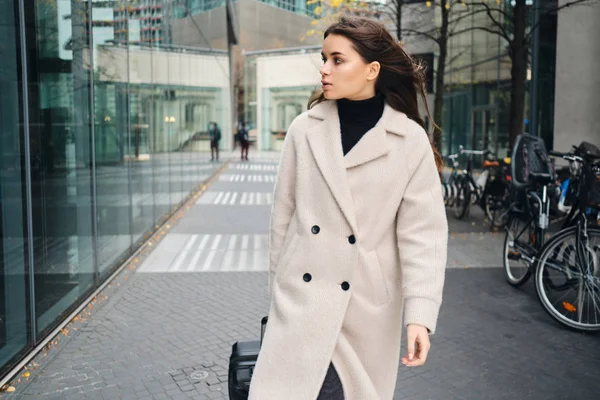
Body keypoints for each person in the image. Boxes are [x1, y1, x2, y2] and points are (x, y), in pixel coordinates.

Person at [248, 16, 447, 400]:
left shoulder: (408, 141)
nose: (324, 69)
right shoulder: (304, 130)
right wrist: (279, 293)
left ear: (371, 69)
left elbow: (424, 235)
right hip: (301, 302)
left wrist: (420, 316)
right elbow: (283, 219)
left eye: (337, 60)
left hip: (363, 309)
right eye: (323, 59)